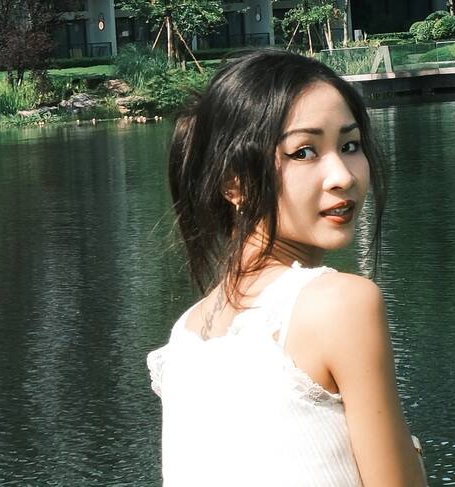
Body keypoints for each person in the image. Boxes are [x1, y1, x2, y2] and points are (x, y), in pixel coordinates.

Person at [148, 50, 427, 487]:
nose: (343, 176)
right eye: (304, 152)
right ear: (234, 182)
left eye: (350, 145)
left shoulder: (185, 337)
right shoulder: (340, 304)